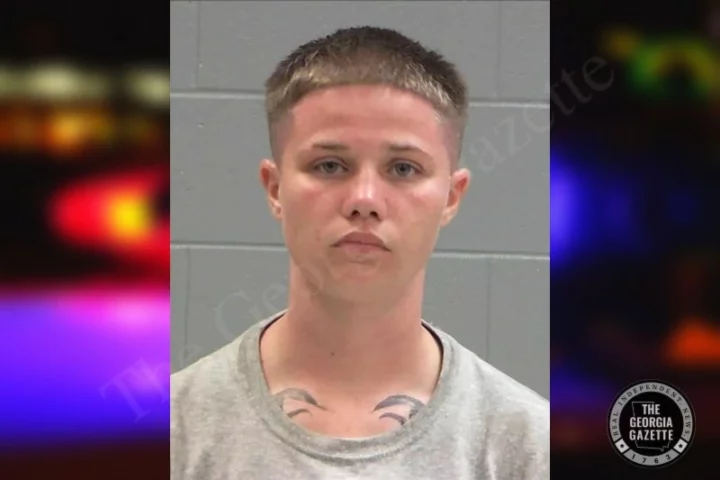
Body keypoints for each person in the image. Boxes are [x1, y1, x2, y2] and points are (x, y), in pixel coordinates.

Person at [171, 26, 549, 479]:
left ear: (451, 197)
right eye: (329, 165)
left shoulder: (526, 444)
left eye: (403, 168)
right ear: (275, 189)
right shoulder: (175, 429)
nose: (364, 199)